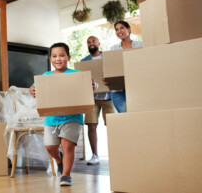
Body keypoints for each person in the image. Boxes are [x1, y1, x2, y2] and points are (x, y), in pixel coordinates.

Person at [30, 42, 92, 186]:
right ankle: (59, 160)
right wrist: (32, 89)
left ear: (68, 57)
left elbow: (87, 86)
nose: (58, 59)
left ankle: (66, 175)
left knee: (67, 144)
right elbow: (35, 87)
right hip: (52, 118)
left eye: (62, 55)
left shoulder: (76, 74)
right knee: (50, 147)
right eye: (54, 56)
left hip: (73, 117)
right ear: (50, 59)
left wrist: (92, 85)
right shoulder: (46, 76)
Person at [81, 36, 116, 165]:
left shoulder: (107, 58)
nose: (91, 44)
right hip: (92, 99)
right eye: (88, 42)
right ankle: (95, 155)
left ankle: (115, 153)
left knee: (113, 125)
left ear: (99, 43)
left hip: (109, 97)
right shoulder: (84, 61)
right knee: (91, 125)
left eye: (93, 41)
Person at [107, 20, 143, 113]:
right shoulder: (113, 49)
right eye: (116, 29)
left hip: (137, 87)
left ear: (129, 29)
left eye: (122, 28)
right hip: (118, 90)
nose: (119, 31)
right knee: (125, 113)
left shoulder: (140, 45)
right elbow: (110, 68)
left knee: (139, 113)